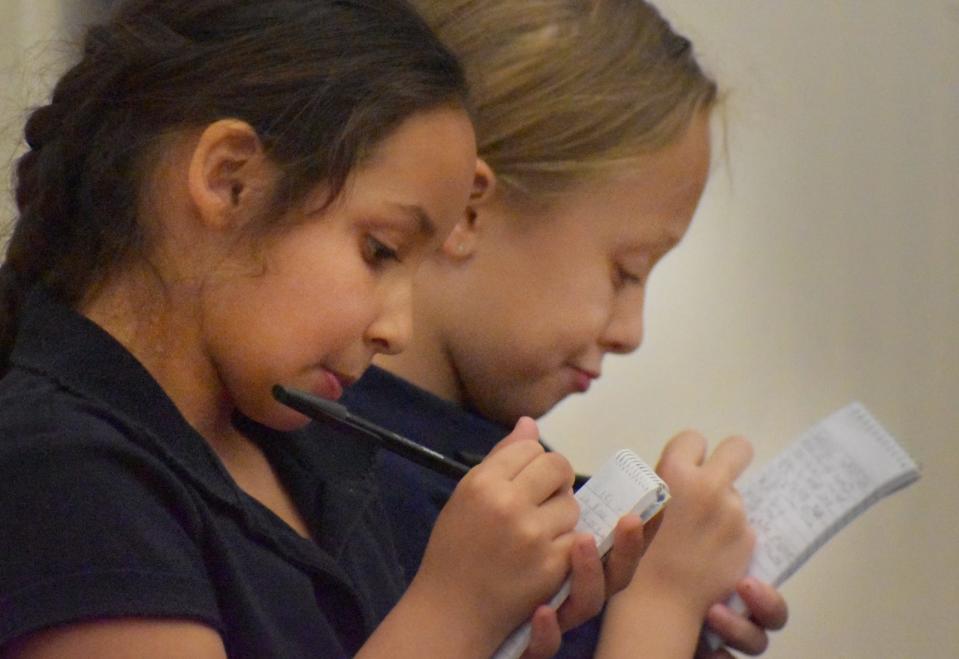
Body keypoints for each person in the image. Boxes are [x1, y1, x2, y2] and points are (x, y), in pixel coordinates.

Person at [0, 1, 605, 656]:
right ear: (231, 180)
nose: (397, 329)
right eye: (380, 249)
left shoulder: (304, 451)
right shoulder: (64, 470)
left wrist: (507, 624)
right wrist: (454, 612)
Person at [332, 0, 789, 656]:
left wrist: (687, 615)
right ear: (467, 210)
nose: (630, 331)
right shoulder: (365, 495)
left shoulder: (488, 472)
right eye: (624, 270)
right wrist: (659, 602)